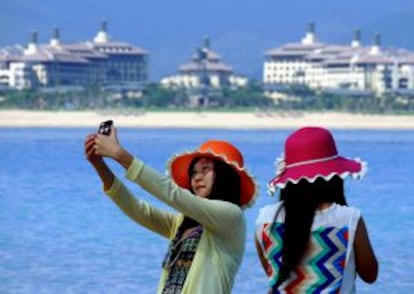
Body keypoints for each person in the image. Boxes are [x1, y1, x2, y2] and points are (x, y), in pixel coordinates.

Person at [84, 125, 258, 294]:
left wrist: (119, 155)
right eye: (194, 172)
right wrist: (99, 165)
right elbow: (138, 210)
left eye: (205, 169)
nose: (197, 177)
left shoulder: (231, 216)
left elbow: (172, 194)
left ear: (224, 175)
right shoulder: (183, 223)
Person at [255, 127, 378, 293]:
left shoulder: (265, 218)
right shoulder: (348, 219)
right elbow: (370, 275)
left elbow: (272, 273)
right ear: (333, 176)